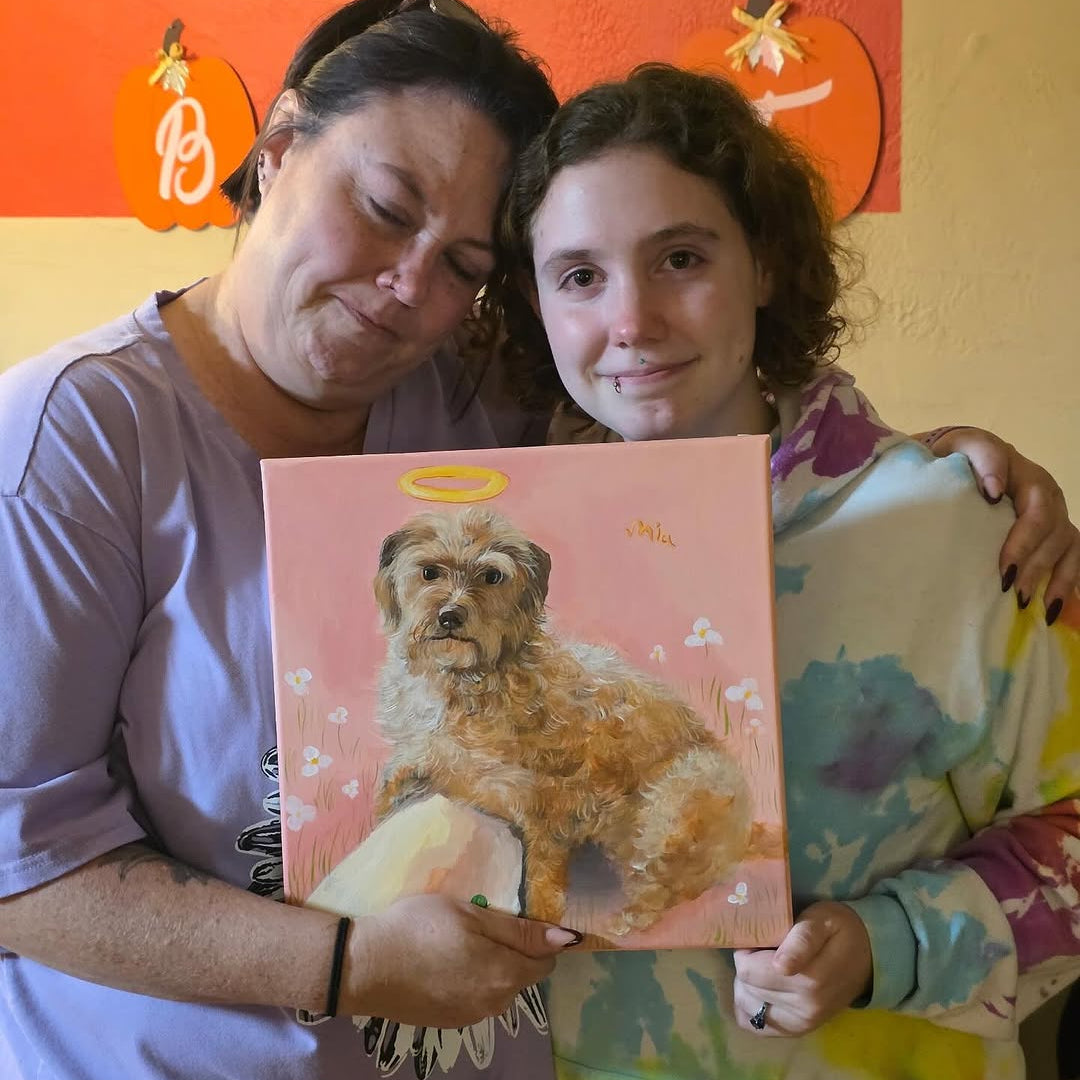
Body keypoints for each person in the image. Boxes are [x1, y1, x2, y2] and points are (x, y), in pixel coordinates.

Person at [0, 0, 1074, 1075]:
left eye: (462, 265)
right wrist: (340, 963)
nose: (407, 287)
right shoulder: (71, 441)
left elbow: (706, 414)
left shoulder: (475, 400)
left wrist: (938, 471)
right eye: (382, 208)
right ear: (277, 148)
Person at [497, 63, 1080, 1080]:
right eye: (580, 276)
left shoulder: (956, 527)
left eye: (681, 258)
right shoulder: (508, 559)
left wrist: (885, 943)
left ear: (764, 264)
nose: (631, 320)